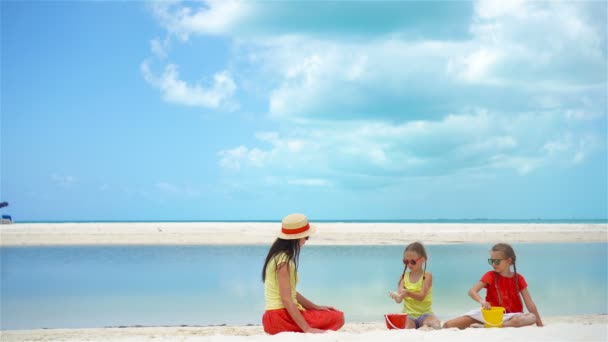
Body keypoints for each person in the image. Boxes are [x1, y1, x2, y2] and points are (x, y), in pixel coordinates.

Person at [261, 213, 344, 335]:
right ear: (296, 237)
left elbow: (291, 293)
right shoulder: (283, 261)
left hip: (272, 317)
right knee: (338, 317)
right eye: (306, 237)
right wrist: (307, 329)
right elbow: (287, 299)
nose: (306, 240)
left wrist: (315, 307)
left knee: (331, 313)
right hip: (281, 317)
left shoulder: (277, 256)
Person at [443, 243, 543, 329]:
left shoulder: (519, 278)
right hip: (489, 314)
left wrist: (540, 324)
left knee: (531, 317)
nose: (493, 264)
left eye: (497, 261)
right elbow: (472, 291)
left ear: (509, 261)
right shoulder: (490, 275)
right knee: (448, 325)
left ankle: (494, 326)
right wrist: (482, 301)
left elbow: (529, 303)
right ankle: (490, 324)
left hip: (512, 316)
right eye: (491, 261)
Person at [388, 241, 441, 329]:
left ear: (423, 259)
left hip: (425, 314)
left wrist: (408, 293)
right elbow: (399, 299)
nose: (409, 264)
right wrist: (396, 296)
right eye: (406, 261)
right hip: (409, 315)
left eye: (413, 261)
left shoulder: (427, 276)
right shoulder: (403, 277)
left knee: (435, 324)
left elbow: (421, 297)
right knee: (407, 327)